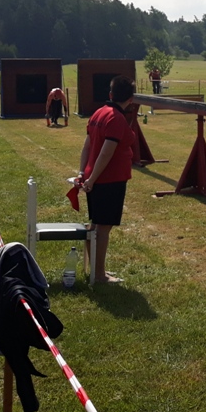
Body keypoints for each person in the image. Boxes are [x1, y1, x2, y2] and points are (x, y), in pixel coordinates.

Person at [78, 75, 136, 284]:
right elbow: (106, 152)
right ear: (130, 99)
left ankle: (96, 270)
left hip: (95, 178)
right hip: (108, 180)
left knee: (95, 225)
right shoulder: (116, 118)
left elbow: (87, 146)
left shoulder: (98, 113)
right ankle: (99, 275)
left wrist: (83, 173)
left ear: (111, 94)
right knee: (102, 228)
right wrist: (92, 179)